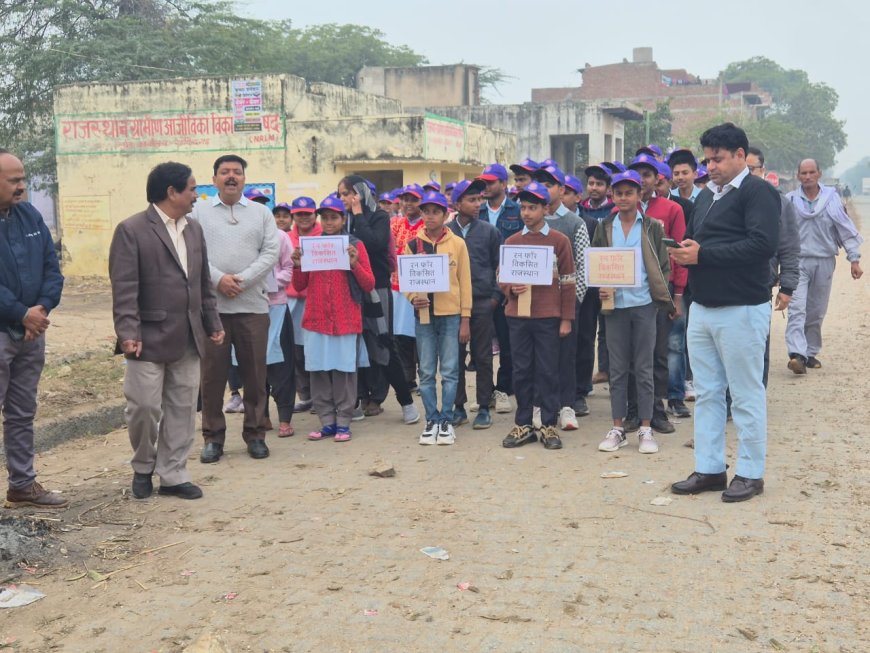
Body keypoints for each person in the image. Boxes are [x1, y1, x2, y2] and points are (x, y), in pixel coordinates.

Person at [670, 122, 780, 503]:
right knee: (709, 393)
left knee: (746, 393)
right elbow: (706, 243)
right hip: (703, 308)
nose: (710, 166)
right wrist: (689, 249)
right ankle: (710, 468)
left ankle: (750, 473)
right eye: (707, 159)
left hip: (743, 308)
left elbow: (762, 246)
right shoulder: (705, 197)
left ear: (739, 155)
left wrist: (703, 255)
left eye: (717, 159)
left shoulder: (759, 192)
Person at [110, 162, 224, 500]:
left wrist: (212, 323)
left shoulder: (193, 229)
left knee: (183, 407)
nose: (196, 195)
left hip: (189, 335)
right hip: (146, 338)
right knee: (143, 407)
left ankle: (173, 474)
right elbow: (125, 287)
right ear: (171, 192)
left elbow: (202, 283)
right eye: (191, 188)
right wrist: (128, 332)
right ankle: (143, 466)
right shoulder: (131, 230)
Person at [191, 154, 281, 463]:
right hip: (212, 308)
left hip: (252, 305)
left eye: (237, 172)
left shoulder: (261, 213)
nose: (232, 177)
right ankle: (213, 438)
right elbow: (193, 251)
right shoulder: (199, 212)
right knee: (212, 375)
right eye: (225, 172)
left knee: (255, 374)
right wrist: (218, 280)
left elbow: (271, 251)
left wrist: (241, 280)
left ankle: (255, 434)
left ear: (245, 179)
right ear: (214, 178)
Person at [0, 149, 67, 508]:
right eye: (14, 180)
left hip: (31, 333)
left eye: (22, 179)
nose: (22, 186)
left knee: (23, 411)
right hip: (4, 331)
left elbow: (51, 269)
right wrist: (20, 313)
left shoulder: (30, 216)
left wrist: (40, 310)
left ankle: (22, 485)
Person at [592, 170, 674, 456]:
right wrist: (600, 286)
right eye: (618, 193)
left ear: (640, 195)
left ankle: (646, 427)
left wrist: (659, 296)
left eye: (629, 192)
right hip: (614, 306)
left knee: (644, 367)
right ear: (611, 196)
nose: (623, 198)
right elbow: (597, 264)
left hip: (643, 304)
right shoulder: (603, 226)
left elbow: (664, 267)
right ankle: (617, 428)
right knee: (617, 369)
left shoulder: (652, 226)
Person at [499, 181, 576, 451]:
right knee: (521, 370)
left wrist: (566, 318)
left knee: (547, 370)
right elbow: (502, 277)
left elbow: (568, 281)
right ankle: (523, 423)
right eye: (523, 207)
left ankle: (548, 423)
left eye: (533, 207)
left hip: (548, 317)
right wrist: (511, 288)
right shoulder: (511, 241)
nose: (526, 213)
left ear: (546, 208)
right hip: (517, 317)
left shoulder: (559, 241)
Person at [291, 196, 374, 442]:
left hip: (345, 318)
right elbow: (299, 285)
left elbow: (368, 284)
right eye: (324, 217)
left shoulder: (355, 245)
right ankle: (327, 421)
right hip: (316, 317)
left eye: (333, 217)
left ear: (343, 219)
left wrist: (354, 264)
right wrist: (297, 265)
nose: (328, 222)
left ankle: (344, 421)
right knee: (317, 370)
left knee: (344, 371)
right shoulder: (312, 246)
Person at [337, 175, 419, 425]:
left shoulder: (379, 217)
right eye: (340, 194)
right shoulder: (341, 221)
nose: (342, 199)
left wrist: (360, 213)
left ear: (359, 194)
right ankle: (357, 400)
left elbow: (372, 244)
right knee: (352, 345)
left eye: (346, 194)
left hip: (377, 289)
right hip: (349, 290)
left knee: (383, 344)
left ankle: (406, 402)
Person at [623, 153, 687, 434]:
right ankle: (633, 410)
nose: (642, 180)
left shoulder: (671, 210)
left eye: (646, 175)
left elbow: (680, 254)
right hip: (628, 291)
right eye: (636, 175)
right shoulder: (620, 213)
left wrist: (678, 295)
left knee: (659, 351)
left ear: (655, 179)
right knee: (629, 354)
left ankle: (657, 411)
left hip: (661, 290)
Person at [403, 191, 472, 445]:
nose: (430, 216)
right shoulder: (413, 245)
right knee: (427, 371)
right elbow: (406, 280)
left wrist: (466, 318)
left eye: (435, 212)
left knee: (451, 370)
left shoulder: (457, 244)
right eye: (426, 212)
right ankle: (431, 420)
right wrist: (413, 297)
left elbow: (465, 283)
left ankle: (447, 420)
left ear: (445, 215)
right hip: (424, 316)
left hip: (451, 315)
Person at [784, 159, 863, 373]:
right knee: (797, 308)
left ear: (819, 174)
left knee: (816, 310)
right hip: (797, 261)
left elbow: (844, 230)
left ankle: (810, 352)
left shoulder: (832, 200)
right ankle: (797, 354)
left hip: (825, 261)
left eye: (811, 172)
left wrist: (854, 259)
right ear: (798, 176)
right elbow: (781, 233)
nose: (807, 177)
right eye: (803, 173)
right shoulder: (789, 201)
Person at [533, 165, 589, 431]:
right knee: (540, 358)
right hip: (538, 307)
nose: (544, 190)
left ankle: (567, 406)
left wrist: (571, 304)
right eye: (539, 184)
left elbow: (583, 267)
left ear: (562, 190)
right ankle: (544, 405)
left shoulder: (575, 223)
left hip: (566, 304)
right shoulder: (533, 223)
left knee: (566, 356)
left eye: (549, 185)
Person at [447, 179, 500, 430]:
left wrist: (494, 298)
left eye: (480, 199)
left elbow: (499, 267)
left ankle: (483, 406)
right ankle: (458, 406)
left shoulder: (489, 231)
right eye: (471, 200)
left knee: (483, 356)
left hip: (481, 302)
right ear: (457, 204)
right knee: (454, 357)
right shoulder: (446, 232)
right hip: (451, 305)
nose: (478, 204)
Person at [746, 147, 801, 386]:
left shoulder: (779, 202)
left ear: (763, 170)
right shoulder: (723, 199)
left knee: (758, 343)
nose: (747, 174)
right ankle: (729, 401)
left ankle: (755, 399)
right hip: (726, 285)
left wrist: (787, 287)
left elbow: (788, 246)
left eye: (751, 169)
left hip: (760, 285)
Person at [478, 163, 522, 415]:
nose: (486, 186)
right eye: (484, 181)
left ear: (504, 184)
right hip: (482, 286)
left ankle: (503, 389)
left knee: (507, 343)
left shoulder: (517, 210)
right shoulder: (477, 211)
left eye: (491, 181)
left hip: (509, 288)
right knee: (482, 345)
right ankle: (486, 392)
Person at [580, 163, 616, 387]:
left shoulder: (614, 210)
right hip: (587, 275)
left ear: (608, 188)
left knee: (608, 326)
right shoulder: (581, 210)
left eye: (599, 184)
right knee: (588, 328)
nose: (594, 188)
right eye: (591, 183)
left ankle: (607, 368)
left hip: (610, 272)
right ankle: (592, 374)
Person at [284, 197, 321, 414]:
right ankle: (305, 395)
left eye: (308, 213)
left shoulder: (324, 237)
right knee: (296, 351)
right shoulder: (286, 238)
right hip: (291, 299)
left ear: (314, 215)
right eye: (299, 214)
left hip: (314, 299)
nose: (304, 218)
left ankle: (319, 396)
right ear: (293, 216)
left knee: (314, 349)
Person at [263, 211, 296, 438]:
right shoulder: (243, 238)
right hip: (249, 308)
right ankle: (261, 415)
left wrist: (271, 285)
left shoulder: (280, 238)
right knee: (255, 367)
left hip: (277, 306)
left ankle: (285, 419)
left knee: (283, 365)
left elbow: (288, 268)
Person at [391, 184, 426, 396]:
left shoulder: (426, 225)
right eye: (404, 199)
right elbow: (391, 250)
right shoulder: (395, 224)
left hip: (420, 287)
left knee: (421, 335)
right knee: (401, 336)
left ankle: (425, 377)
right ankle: (408, 378)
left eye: (413, 199)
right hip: (397, 285)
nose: (408, 204)